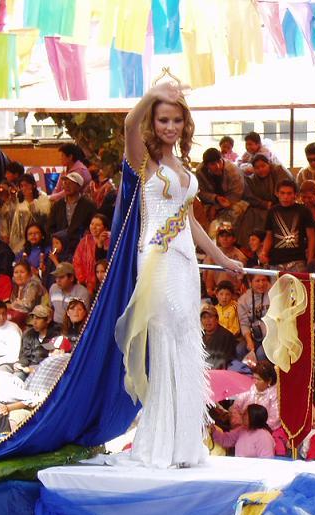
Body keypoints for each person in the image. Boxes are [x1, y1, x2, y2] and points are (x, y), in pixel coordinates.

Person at [116, 81, 243, 468]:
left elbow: (191, 223)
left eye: (175, 120)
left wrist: (221, 258)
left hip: (185, 259)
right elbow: (127, 124)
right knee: (166, 341)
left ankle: (185, 444)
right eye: (162, 119)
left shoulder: (183, 168)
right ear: (154, 122)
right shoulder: (145, 160)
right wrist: (154, 94)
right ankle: (161, 443)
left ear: (184, 124)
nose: (169, 126)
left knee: (188, 341)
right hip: (157, 259)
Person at [195, 147, 248, 238]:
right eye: (213, 164)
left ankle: (227, 239)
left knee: (236, 212)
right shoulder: (200, 171)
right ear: (206, 165)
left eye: (219, 162)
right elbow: (200, 192)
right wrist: (215, 198)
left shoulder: (233, 171)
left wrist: (217, 207)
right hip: (211, 202)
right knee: (199, 214)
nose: (217, 166)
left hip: (234, 201)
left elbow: (237, 194)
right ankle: (206, 240)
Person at [240, 153, 292, 237]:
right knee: (249, 215)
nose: (261, 169)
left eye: (263, 166)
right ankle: (250, 243)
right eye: (257, 168)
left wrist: (273, 204)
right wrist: (264, 204)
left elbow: (284, 190)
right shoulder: (252, 179)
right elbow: (249, 196)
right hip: (261, 207)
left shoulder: (278, 170)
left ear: (269, 164)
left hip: (282, 203)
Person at [48, 171, 96, 256]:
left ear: (79, 186)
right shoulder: (58, 205)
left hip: (80, 247)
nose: (67, 186)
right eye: (65, 183)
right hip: (60, 247)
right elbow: (50, 226)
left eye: (71, 183)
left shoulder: (89, 205)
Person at [211, 403, 275, 458]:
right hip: (239, 468)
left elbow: (266, 461)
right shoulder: (242, 430)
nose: (242, 415)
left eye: (245, 414)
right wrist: (213, 430)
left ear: (253, 417)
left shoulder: (264, 437)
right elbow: (227, 439)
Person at [15, 304, 59, 379]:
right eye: (33, 318)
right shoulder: (28, 334)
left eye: (38, 318)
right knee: (16, 377)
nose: (34, 322)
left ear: (48, 319)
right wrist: (20, 365)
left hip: (48, 372)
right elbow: (25, 357)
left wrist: (35, 369)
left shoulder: (56, 335)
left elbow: (55, 360)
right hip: (28, 370)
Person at [203, 224, 247, 296]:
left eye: (228, 236)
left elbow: (241, 280)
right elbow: (208, 274)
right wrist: (209, 289)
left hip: (233, 294)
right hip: (215, 292)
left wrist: (233, 293)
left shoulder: (240, 256)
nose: (225, 239)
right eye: (222, 236)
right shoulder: (212, 254)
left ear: (234, 239)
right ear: (218, 238)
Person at [238, 273, 272, 363]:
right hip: (254, 336)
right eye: (257, 281)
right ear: (250, 282)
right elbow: (244, 323)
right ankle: (246, 375)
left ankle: (263, 376)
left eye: (264, 280)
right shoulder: (243, 300)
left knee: (261, 353)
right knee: (240, 349)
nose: (261, 284)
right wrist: (249, 340)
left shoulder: (274, 294)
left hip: (272, 336)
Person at [8, 260, 45, 326]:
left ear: (29, 274)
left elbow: (27, 306)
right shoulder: (15, 284)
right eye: (16, 272)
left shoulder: (34, 285)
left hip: (34, 321)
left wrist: (10, 306)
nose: (19, 275)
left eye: (22, 272)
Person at [201, 303, 237, 370]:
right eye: (204, 317)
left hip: (217, 374)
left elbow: (223, 361)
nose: (207, 320)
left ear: (217, 319)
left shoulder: (227, 336)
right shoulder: (199, 336)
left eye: (210, 317)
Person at [0, 300, 21, 372]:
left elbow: (14, 356)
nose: (1, 317)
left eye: (4, 314)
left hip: (6, 363)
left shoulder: (13, 329)